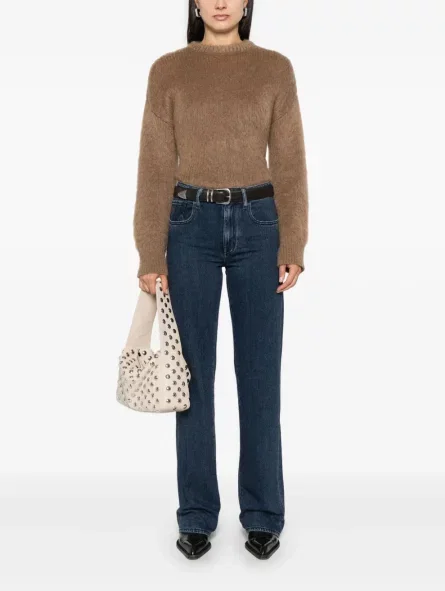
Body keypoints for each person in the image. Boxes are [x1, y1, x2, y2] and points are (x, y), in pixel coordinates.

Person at [132, 0, 308, 560]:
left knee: (260, 376)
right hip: (189, 226)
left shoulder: (274, 68)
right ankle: (196, 514)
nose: (222, 1)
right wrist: (149, 251)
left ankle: (263, 513)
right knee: (192, 379)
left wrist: (294, 242)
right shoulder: (169, 71)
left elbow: (289, 159)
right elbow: (155, 164)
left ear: (250, 2)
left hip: (260, 223)